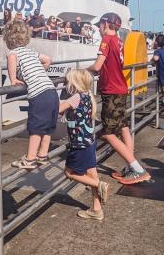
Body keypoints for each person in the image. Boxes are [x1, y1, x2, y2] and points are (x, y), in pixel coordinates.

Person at [87, 12, 151, 185]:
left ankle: (137, 169)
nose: (99, 29)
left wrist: (84, 71)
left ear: (106, 24)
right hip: (120, 88)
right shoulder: (119, 41)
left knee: (107, 134)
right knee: (123, 127)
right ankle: (130, 168)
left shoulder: (107, 40)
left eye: (100, 25)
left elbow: (98, 65)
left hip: (111, 90)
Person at [4, 21, 58, 169]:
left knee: (35, 127)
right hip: (51, 91)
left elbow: (11, 60)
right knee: (48, 127)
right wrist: (39, 71)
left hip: (39, 94)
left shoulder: (13, 52)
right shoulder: (31, 52)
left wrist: (13, 78)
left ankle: (30, 159)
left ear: (8, 39)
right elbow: (48, 60)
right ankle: (42, 155)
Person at [60, 69, 109, 220]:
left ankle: (99, 184)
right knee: (91, 173)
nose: (66, 84)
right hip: (89, 141)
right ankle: (97, 210)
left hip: (79, 145)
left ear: (74, 83)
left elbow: (57, 109)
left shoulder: (75, 97)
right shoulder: (88, 95)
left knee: (69, 172)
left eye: (67, 82)